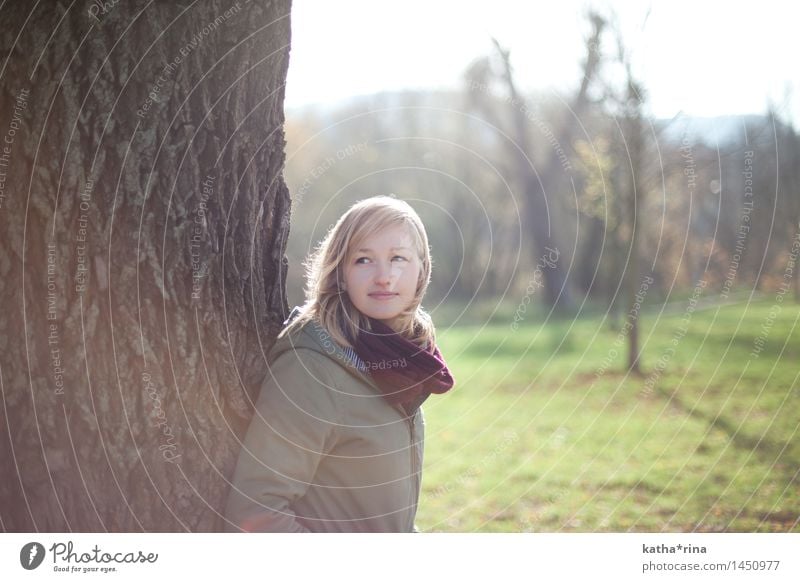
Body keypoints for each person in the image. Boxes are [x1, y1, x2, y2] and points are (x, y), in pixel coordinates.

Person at [224, 196, 454, 532]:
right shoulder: (312, 369)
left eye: (399, 259)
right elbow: (257, 510)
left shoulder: (400, 358)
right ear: (341, 272)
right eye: (363, 260)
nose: (384, 277)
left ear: (422, 269)